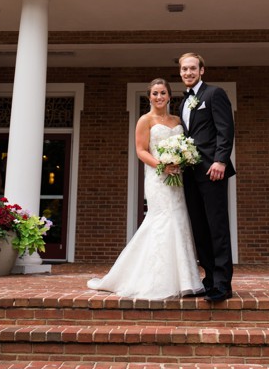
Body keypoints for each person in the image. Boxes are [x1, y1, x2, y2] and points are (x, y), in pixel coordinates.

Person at [87, 79, 204, 299]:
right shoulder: (145, 120)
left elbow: (187, 146)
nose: (159, 97)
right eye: (155, 94)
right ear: (149, 97)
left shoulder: (178, 120)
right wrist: (162, 165)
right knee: (161, 221)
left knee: (179, 220)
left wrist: (181, 160)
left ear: (169, 96)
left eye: (163, 93)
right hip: (158, 178)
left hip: (177, 178)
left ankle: (185, 279)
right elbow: (141, 151)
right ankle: (156, 278)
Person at [179, 52, 237, 303]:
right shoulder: (182, 103)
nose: (188, 73)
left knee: (217, 227)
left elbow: (226, 129)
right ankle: (209, 279)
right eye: (184, 69)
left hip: (212, 171)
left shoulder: (214, 94)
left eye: (192, 68)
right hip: (190, 174)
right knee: (200, 229)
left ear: (202, 70)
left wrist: (220, 160)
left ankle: (223, 284)